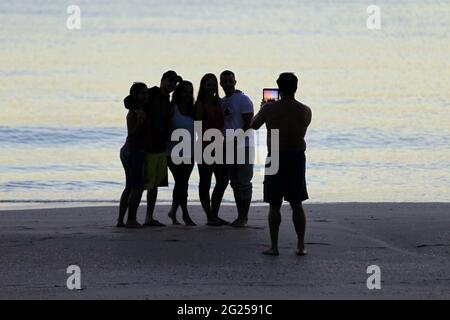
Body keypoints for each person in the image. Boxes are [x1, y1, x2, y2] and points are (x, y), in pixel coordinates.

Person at [251, 73, 312, 256]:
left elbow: (253, 125)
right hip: (296, 156)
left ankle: (274, 246)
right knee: (296, 203)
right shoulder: (305, 110)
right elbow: (302, 126)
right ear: (296, 87)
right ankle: (300, 246)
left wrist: (263, 108)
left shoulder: (270, 109)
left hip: (276, 156)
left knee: (274, 204)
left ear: (278, 87)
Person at [124, 70, 182, 227]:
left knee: (155, 184)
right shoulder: (152, 93)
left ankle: (149, 217)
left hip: (161, 147)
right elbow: (128, 99)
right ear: (162, 80)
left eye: (174, 83)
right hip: (147, 147)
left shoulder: (168, 99)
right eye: (170, 81)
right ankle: (129, 219)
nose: (172, 85)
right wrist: (137, 110)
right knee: (140, 185)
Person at [219, 70, 254, 227]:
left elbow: (249, 124)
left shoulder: (243, 99)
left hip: (244, 146)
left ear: (235, 82)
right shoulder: (222, 101)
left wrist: (236, 140)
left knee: (244, 182)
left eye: (230, 81)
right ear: (221, 84)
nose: (227, 84)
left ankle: (244, 217)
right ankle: (240, 216)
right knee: (234, 182)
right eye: (224, 81)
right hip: (227, 147)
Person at [195, 73, 229, 226]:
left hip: (219, 146)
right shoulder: (200, 104)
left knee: (222, 180)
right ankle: (209, 216)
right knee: (205, 183)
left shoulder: (219, 103)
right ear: (203, 87)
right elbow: (197, 128)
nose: (212, 87)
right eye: (209, 85)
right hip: (204, 147)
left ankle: (214, 214)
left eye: (214, 84)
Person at [118, 82, 150, 228]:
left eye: (146, 93)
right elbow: (132, 134)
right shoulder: (135, 113)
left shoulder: (137, 109)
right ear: (135, 95)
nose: (146, 95)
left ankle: (120, 220)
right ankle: (131, 219)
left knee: (129, 186)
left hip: (128, 150)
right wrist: (141, 121)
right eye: (143, 93)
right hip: (135, 151)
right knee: (137, 187)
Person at [166, 81, 196, 226]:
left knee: (182, 183)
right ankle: (185, 214)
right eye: (185, 91)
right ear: (178, 93)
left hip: (190, 152)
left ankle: (173, 211)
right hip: (173, 152)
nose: (188, 95)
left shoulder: (193, 110)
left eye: (190, 92)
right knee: (181, 182)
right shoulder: (172, 108)